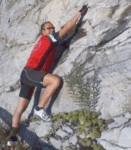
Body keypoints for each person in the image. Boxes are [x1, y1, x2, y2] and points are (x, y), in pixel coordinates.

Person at [7, 5, 88, 147]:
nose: (52, 30)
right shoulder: (47, 39)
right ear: (43, 32)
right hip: (30, 73)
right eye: (48, 28)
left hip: (28, 75)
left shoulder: (47, 41)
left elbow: (63, 32)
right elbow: (66, 29)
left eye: (52, 28)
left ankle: (11, 138)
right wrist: (79, 14)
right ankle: (39, 108)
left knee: (20, 109)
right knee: (55, 81)